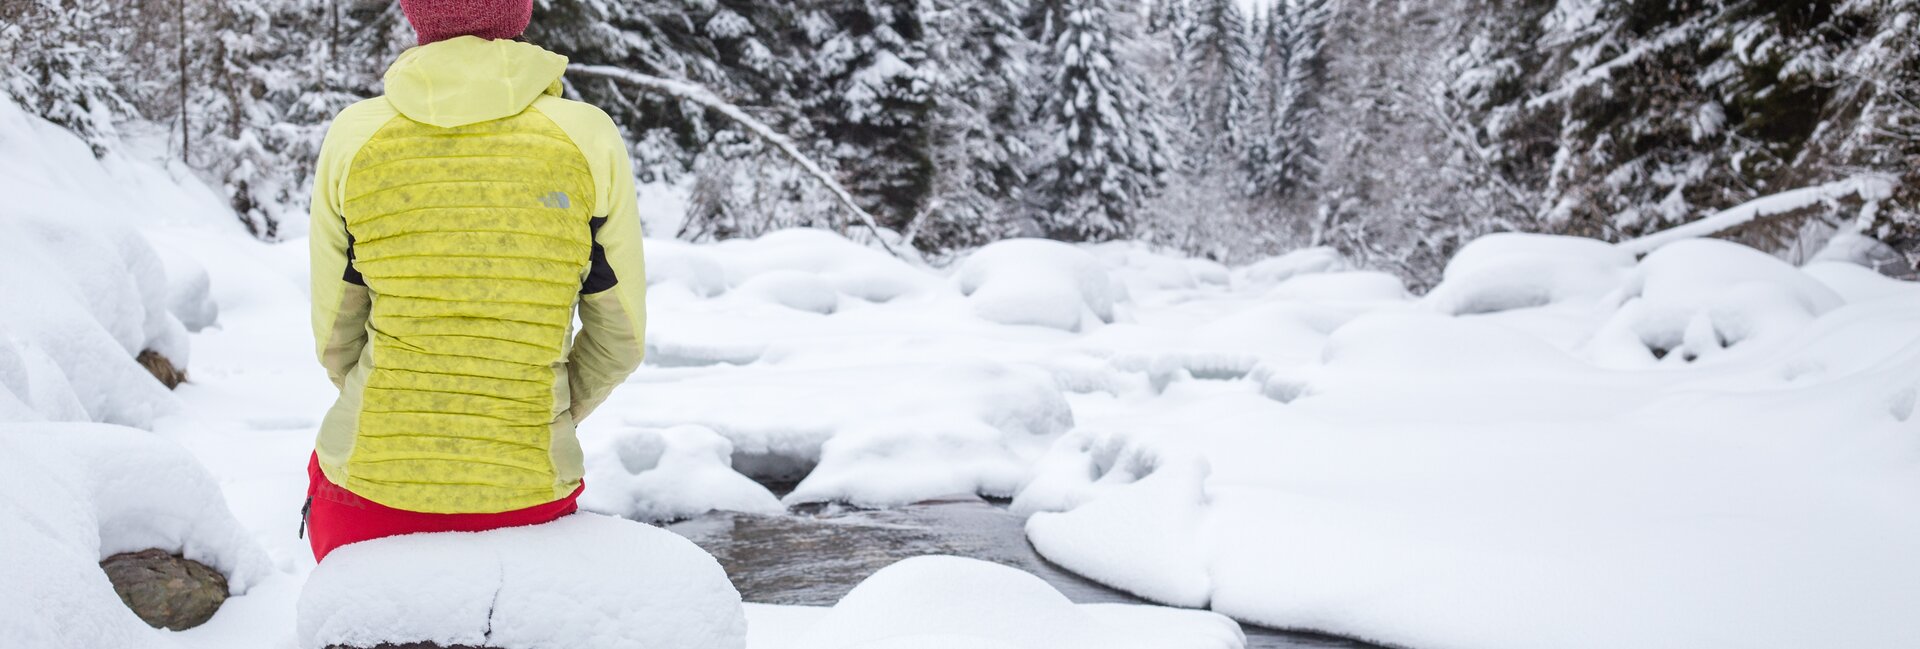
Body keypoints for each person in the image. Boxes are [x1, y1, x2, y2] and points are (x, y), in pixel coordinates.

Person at [304, 0, 647, 562]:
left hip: (367, 488)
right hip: (527, 490)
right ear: (518, 11)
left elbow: (334, 333)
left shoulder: (355, 135)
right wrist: (542, 411)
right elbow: (622, 339)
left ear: (417, 14)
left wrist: (400, 403)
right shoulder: (587, 138)